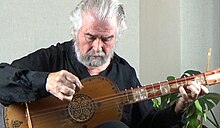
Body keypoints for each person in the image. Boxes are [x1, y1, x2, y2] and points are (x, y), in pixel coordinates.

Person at [0, 0, 209, 128]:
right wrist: (45, 81)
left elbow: (146, 123)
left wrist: (179, 109)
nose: (98, 47)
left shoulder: (124, 73)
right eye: (90, 37)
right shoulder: (52, 59)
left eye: (107, 38)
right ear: (75, 32)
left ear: (118, 35)